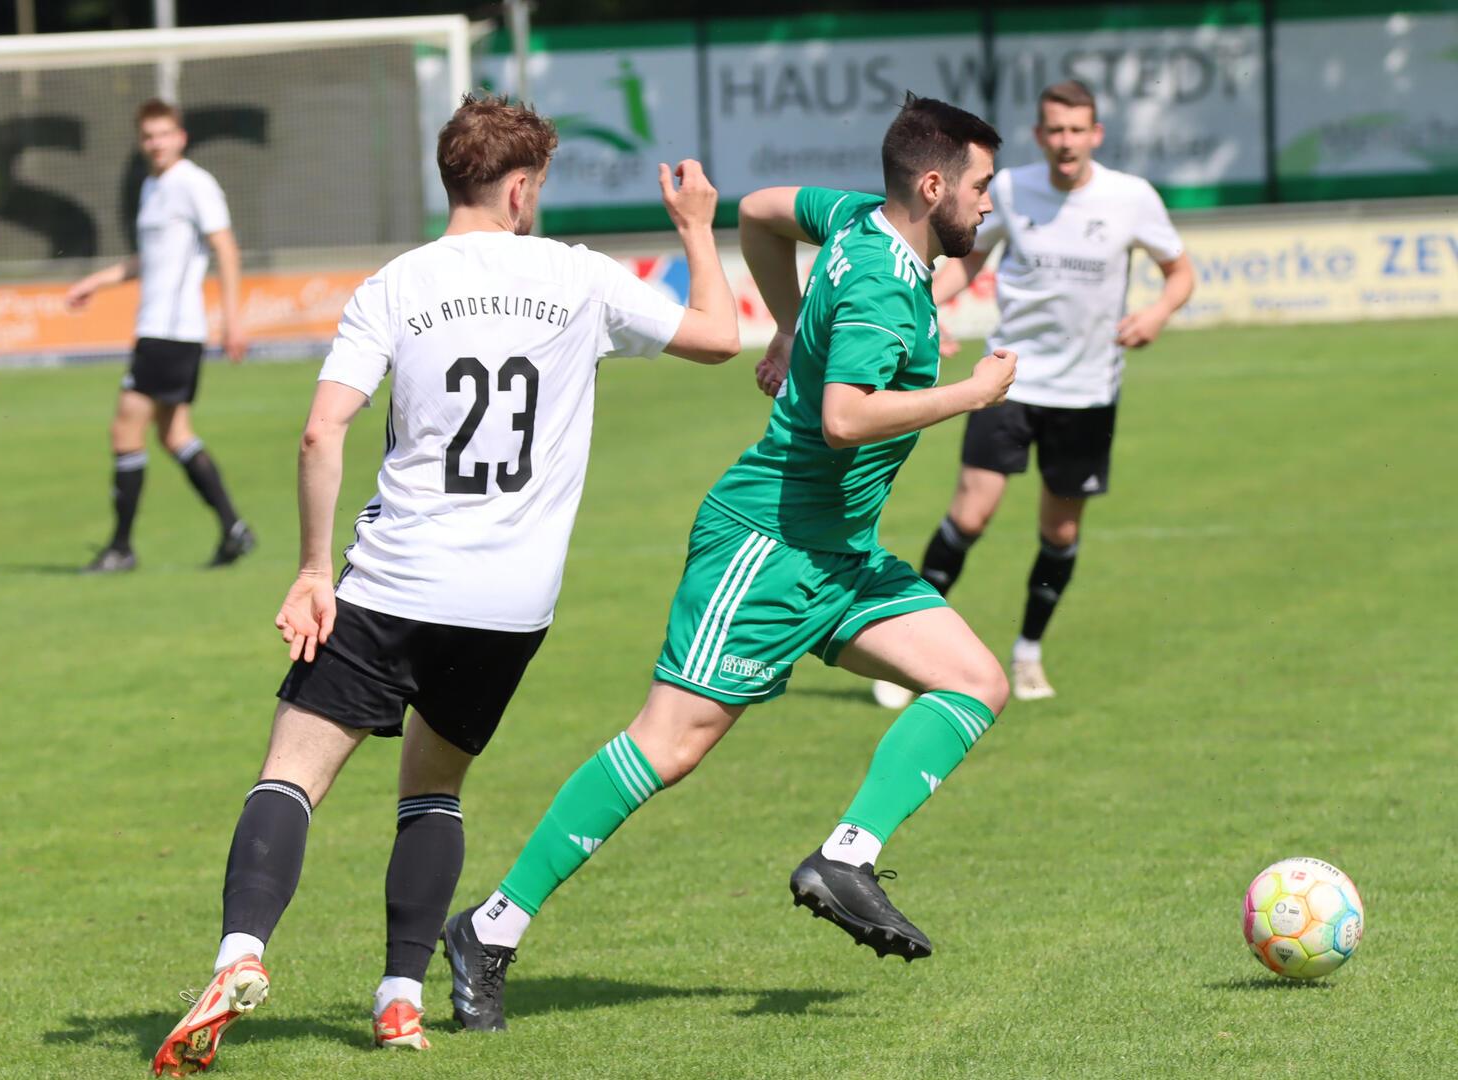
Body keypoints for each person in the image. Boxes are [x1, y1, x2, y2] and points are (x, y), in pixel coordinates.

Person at [148, 94, 739, 1076]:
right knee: (434, 790)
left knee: (291, 772)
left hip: (394, 583)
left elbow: (320, 431)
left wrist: (310, 569)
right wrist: (696, 231)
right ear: (518, 188)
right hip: (511, 607)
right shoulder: (577, 279)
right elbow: (721, 337)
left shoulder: (396, 285)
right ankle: (397, 1001)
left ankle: (239, 955)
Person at [440, 94, 1014, 1032]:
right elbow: (841, 418)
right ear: (935, 183)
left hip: (839, 556)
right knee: (669, 745)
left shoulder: (862, 221)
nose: (990, 204)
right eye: (983, 186)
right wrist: (968, 392)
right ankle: (491, 927)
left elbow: (759, 210)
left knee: (972, 683)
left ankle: (847, 857)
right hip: (769, 545)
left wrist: (787, 328)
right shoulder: (876, 281)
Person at [877, 79, 1195, 704]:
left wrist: (1156, 314)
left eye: (1077, 129)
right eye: (1055, 129)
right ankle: (905, 660)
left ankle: (1028, 652)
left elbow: (1179, 272)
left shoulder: (1131, 197)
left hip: (1087, 391)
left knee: (1060, 533)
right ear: (1039, 135)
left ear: (1095, 134)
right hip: (1008, 379)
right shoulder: (1013, 188)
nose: (1065, 141)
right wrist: (930, 308)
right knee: (970, 515)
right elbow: (970, 258)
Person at [68, 99, 255, 572]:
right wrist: (96, 281)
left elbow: (226, 250)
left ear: (180, 137)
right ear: (141, 142)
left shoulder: (194, 183)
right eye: (148, 136)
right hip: (159, 330)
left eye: (164, 134)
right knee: (174, 434)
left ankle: (121, 547)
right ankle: (233, 529)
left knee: (124, 429)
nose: (156, 143)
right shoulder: (153, 187)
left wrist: (233, 319)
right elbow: (146, 261)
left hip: (169, 332)